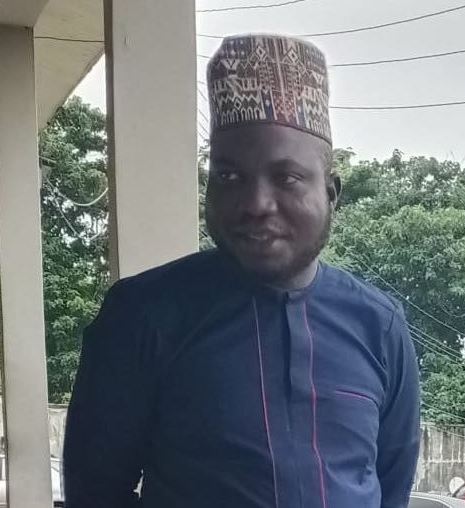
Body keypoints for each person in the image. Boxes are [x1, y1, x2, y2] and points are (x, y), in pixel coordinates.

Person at [64, 34, 420, 508]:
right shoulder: (143, 315)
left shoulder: (379, 325)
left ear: (331, 193)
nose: (255, 203)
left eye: (286, 177)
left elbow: (391, 488)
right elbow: (95, 490)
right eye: (229, 176)